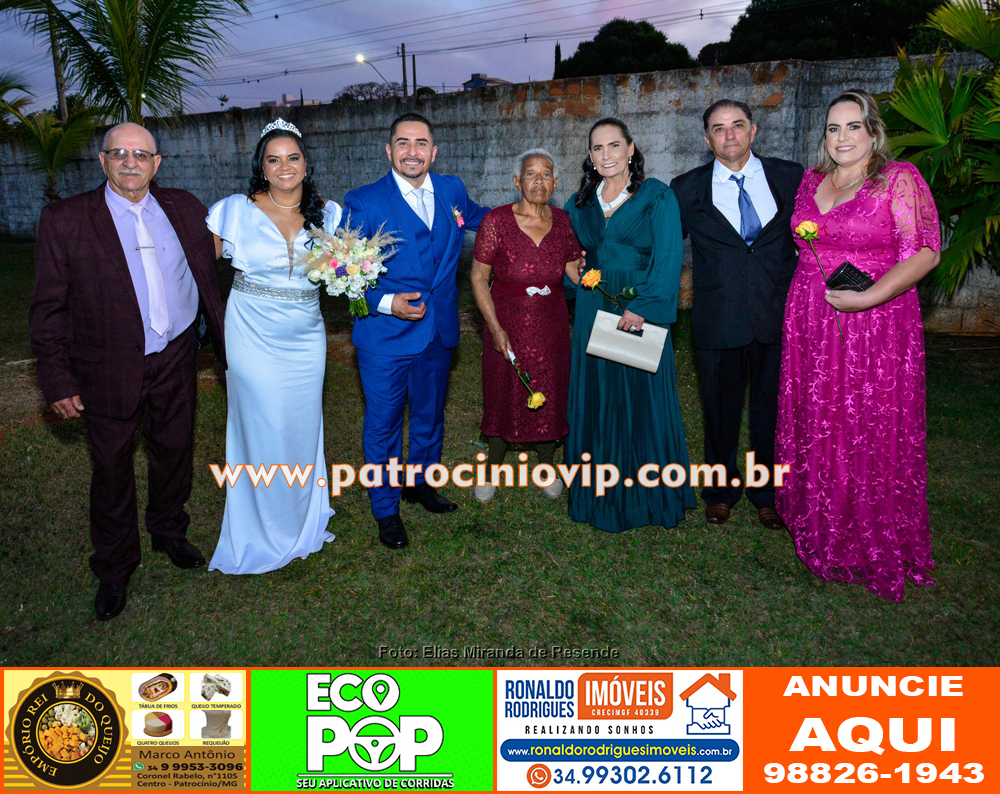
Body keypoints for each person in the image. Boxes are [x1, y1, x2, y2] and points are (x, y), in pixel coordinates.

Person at [28, 122, 226, 621]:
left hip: (176, 355)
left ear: (157, 163)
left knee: (174, 450)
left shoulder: (185, 207)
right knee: (112, 468)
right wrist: (57, 379)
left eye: (141, 154)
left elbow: (213, 263)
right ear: (103, 161)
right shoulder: (66, 219)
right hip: (107, 366)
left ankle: (168, 531)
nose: (130, 162)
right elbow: (48, 309)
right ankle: (115, 567)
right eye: (119, 153)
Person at [776, 89, 941, 601]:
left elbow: (925, 253)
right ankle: (819, 520)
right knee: (818, 419)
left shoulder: (897, 179)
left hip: (874, 326)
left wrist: (866, 298)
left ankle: (862, 533)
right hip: (810, 320)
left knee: (865, 424)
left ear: (873, 132)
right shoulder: (811, 181)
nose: (842, 137)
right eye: (833, 128)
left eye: (853, 126)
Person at [343, 112, 488, 549]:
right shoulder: (364, 201)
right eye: (403, 143)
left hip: (437, 331)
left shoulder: (451, 190)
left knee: (430, 415)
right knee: (383, 424)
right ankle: (386, 509)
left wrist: (539, 216)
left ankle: (420, 483)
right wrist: (388, 303)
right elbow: (343, 273)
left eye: (421, 143)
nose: (412, 151)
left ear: (434, 151)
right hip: (384, 338)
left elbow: (485, 219)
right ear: (389, 150)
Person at [206, 118, 341, 574]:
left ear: (306, 163)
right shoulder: (233, 211)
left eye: (293, 157)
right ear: (261, 167)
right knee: (262, 426)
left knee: (302, 426)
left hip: (306, 335)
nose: (285, 167)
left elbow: (343, 270)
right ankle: (261, 526)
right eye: (273, 159)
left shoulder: (330, 214)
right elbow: (195, 268)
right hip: (251, 331)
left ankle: (300, 517)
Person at [670, 100, 804, 530]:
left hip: (777, 316)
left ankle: (767, 494)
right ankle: (720, 492)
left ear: (754, 130)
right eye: (719, 128)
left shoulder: (790, 177)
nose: (729, 135)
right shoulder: (686, 188)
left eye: (737, 125)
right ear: (707, 139)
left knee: (772, 413)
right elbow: (664, 245)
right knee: (718, 411)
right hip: (718, 318)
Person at [563, 117, 695, 533]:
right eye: (597, 148)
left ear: (631, 148)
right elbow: (569, 251)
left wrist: (645, 307)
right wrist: (570, 267)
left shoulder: (657, 196)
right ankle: (598, 491)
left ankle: (645, 497)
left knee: (640, 397)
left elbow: (669, 257)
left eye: (614, 145)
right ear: (590, 156)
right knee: (598, 393)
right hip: (593, 305)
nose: (607, 155)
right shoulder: (578, 203)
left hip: (638, 306)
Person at [470, 149, 583, 503]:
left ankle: (546, 465)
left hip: (552, 327)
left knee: (551, 391)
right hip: (507, 324)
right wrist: (495, 329)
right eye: (531, 174)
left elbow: (574, 271)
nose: (539, 181)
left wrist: (598, 270)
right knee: (503, 393)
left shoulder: (562, 221)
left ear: (556, 183)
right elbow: (478, 278)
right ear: (517, 181)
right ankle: (492, 469)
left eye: (546, 174)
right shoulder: (496, 221)